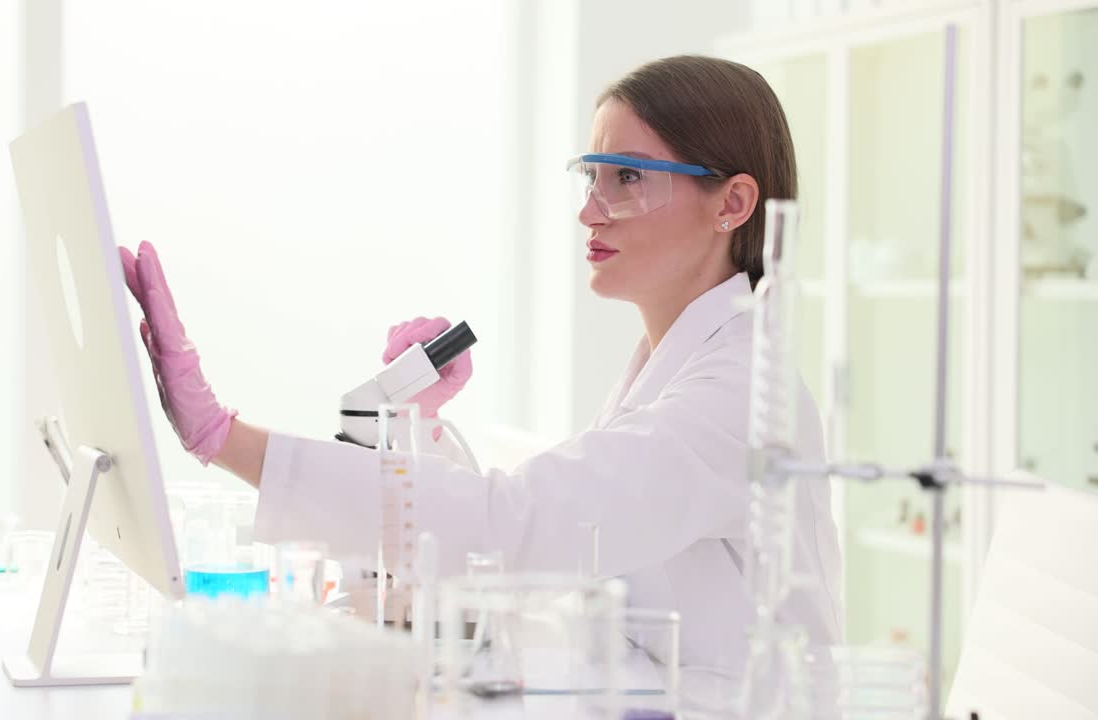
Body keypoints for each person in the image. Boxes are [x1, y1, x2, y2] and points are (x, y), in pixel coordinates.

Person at [119, 54, 843, 692]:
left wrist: (225, 437)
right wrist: (409, 422)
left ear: (734, 204)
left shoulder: (737, 396)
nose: (590, 211)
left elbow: (519, 524)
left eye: (628, 178)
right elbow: (552, 552)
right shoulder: (673, 365)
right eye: (590, 177)